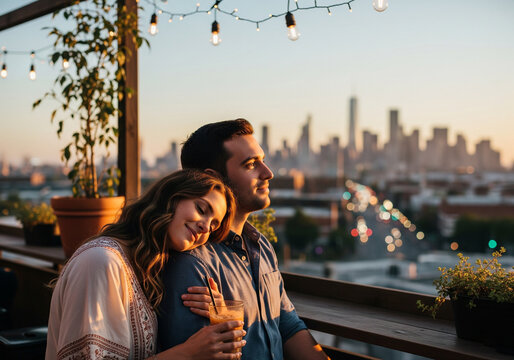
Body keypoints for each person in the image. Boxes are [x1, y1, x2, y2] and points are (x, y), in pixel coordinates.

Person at [158, 119, 328, 359]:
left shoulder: (261, 246)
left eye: (263, 160)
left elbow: (287, 324)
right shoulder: (193, 265)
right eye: (250, 165)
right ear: (213, 178)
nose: (267, 173)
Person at [46, 169, 247, 360]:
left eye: (213, 226)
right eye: (201, 209)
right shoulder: (101, 262)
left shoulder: (145, 270)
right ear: (171, 197)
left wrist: (215, 314)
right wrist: (187, 353)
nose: (205, 226)